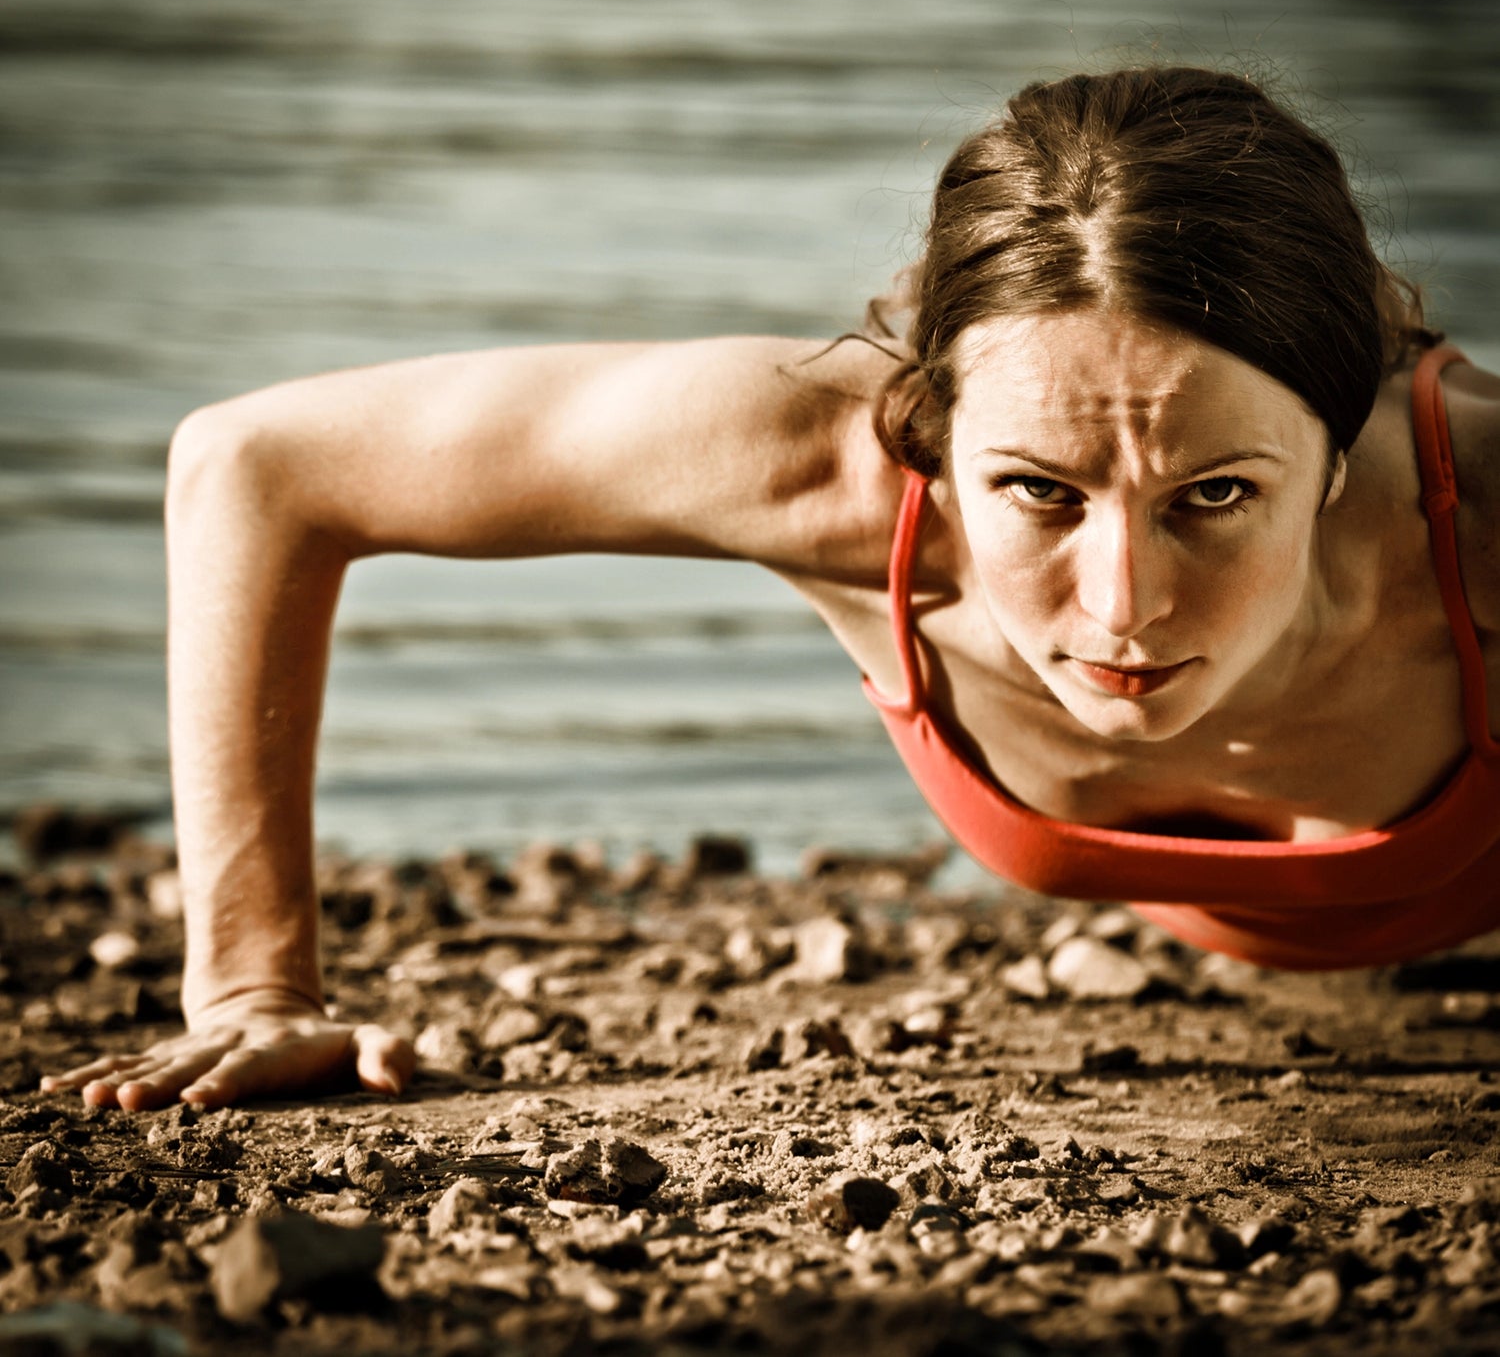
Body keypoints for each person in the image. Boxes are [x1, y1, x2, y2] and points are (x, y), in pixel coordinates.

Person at [39, 65, 1500, 1114]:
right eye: (1038, 493)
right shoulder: (830, 474)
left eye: (1216, 498)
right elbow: (255, 466)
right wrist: (250, 992)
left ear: (1338, 447)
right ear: (935, 431)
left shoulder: (1472, 511)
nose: (1123, 603)